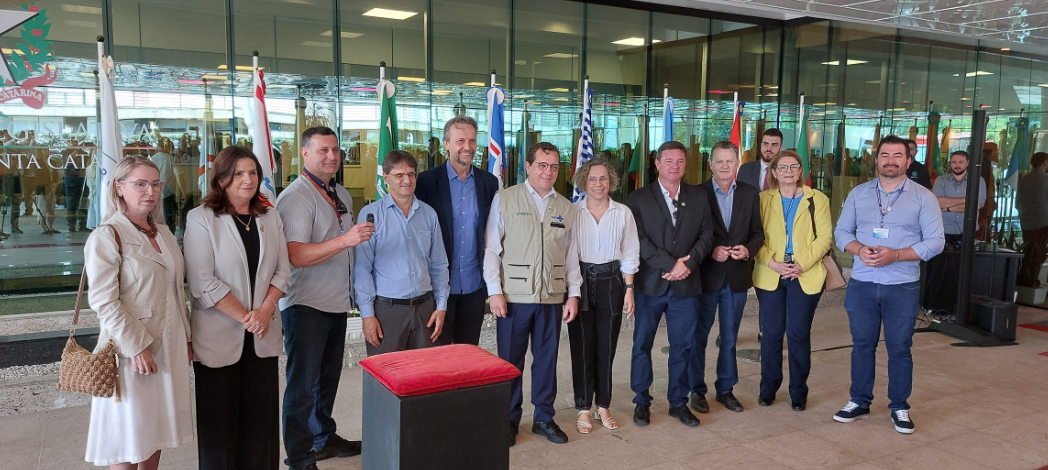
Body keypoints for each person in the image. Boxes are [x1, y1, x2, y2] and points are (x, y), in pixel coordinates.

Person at [184, 146, 291, 470]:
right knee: (220, 430)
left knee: (261, 427)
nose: (248, 180)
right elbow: (202, 280)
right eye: (239, 173)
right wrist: (248, 317)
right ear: (222, 177)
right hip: (219, 336)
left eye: (253, 173)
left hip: (261, 337)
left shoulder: (269, 216)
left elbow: (283, 271)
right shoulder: (201, 218)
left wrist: (265, 310)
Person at [83, 157, 193, 469]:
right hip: (130, 351)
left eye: (156, 184)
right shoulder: (107, 235)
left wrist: (186, 338)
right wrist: (136, 346)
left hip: (167, 345)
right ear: (119, 188)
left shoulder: (161, 231)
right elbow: (104, 301)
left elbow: (175, 290)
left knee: (154, 430)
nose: (151, 191)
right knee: (128, 434)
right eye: (140, 184)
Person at [276, 126, 374, 470]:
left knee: (326, 381)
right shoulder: (297, 197)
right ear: (304, 154)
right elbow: (295, 255)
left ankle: (323, 438)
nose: (331, 156)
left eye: (335, 150)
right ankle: (300, 458)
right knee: (302, 387)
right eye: (322, 150)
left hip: (335, 304)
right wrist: (346, 240)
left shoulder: (340, 193)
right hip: (306, 306)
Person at [833, 135, 945, 435]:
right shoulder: (859, 194)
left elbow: (936, 242)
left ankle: (899, 406)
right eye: (885, 155)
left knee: (899, 347)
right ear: (876, 159)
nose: (891, 160)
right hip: (863, 283)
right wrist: (859, 249)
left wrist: (897, 255)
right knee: (862, 346)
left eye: (898, 155)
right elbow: (842, 231)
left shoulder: (924, 197)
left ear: (909, 161)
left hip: (902, 285)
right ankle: (859, 400)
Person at [483, 142, 580, 446]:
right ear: (528, 166)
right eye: (542, 165)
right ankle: (509, 419)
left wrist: (573, 294)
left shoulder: (566, 207)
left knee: (546, 360)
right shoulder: (505, 199)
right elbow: (491, 249)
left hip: (551, 297)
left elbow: (572, 255)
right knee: (510, 362)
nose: (548, 172)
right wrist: (494, 292)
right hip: (513, 298)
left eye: (553, 166)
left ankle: (544, 418)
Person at [627, 141, 714, 428]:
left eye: (679, 161)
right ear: (657, 163)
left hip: (686, 287)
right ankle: (641, 401)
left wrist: (687, 266)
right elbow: (637, 239)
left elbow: (707, 234)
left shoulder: (699, 196)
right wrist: (670, 264)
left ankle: (678, 403)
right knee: (642, 344)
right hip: (650, 285)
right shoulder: (638, 198)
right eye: (669, 161)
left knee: (683, 347)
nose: (674, 166)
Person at [752, 149, 833, 412]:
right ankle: (768, 388)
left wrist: (801, 264)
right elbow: (754, 236)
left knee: (798, 334)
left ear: (801, 171)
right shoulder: (763, 199)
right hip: (770, 273)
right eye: (782, 167)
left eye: (794, 167)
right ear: (773, 172)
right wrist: (772, 261)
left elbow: (824, 238)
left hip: (805, 274)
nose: (788, 171)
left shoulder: (816, 199)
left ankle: (798, 391)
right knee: (771, 334)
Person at [565, 158, 639, 434]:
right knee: (582, 347)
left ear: (612, 182)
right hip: (580, 281)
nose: (598, 184)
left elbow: (630, 252)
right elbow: (569, 254)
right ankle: (584, 406)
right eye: (593, 179)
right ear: (584, 181)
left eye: (604, 178)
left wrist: (629, 289)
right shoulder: (572, 212)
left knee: (607, 346)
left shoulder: (623, 213)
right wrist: (572, 292)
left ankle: (603, 404)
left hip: (612, 282)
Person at [689, 141, 764, 414]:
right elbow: (690, 236)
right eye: (719, 161)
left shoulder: (749, 192)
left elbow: (758, 233)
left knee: (730, 338)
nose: (724, 166)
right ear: (710, 164)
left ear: (737, 164)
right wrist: (712, 251)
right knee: (698, 337)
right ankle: (696, 390)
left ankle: (725, 390)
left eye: (729, 161)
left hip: (736, 278)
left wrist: (748, 250)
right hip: (706, 278)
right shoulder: (696, 194)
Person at [355, 150, 450, 355]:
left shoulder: (429, 214)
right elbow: (362, 269)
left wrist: (441, 306)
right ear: (386, 178)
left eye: (411, 174)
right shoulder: (371, 215)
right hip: (387, 312)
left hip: (425, 309)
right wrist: (367, 315)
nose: (407, 180)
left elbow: (439, 265)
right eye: (399, 175)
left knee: (421, 379)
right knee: (384, 380)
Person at [415, 116, 499, 346]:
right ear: (447, 144)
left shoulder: (488, 183)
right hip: (437, 288)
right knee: (438, 358)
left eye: (472, 141)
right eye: (460, 140)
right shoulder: (426, 182)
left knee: (468, 355)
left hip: (474, 287)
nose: (468, 147)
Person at [932, 150, 986, 246]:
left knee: (966, 261)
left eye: (961, 162)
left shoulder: (978, 180)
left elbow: (976, 205)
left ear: (967, 163)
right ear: (950, 163)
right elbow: (938, 202)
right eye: (954, 162)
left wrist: (949, 208)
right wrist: (967, 199)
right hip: (943, 229)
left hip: (968, 229)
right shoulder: (941, 180)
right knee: (943, 260)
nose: (957, 165)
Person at [1016, 152, 1048, 287]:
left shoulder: (1023, 179)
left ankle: (1025, 279)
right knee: (1038, 254)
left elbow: (1018, 203)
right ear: (1045, 162)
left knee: (1028, 252)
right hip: (1043, 223)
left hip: (1026, 222)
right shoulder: (1045, 180)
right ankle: (1032, 280)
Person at [150, 138, 184, 230]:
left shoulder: (150, 160)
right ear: (170, 147)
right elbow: (179, 177)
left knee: (154, 219)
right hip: (169, 192)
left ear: (158, 146)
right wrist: (183, 192)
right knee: (169, 219)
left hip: (153, 192)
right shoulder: (172, 159)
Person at [979, 142, 999, 241]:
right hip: (984, 205)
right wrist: (990, 201)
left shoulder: (985, 165)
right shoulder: (984, 166)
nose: (998, 154)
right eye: (996, 152)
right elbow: (986, 187)